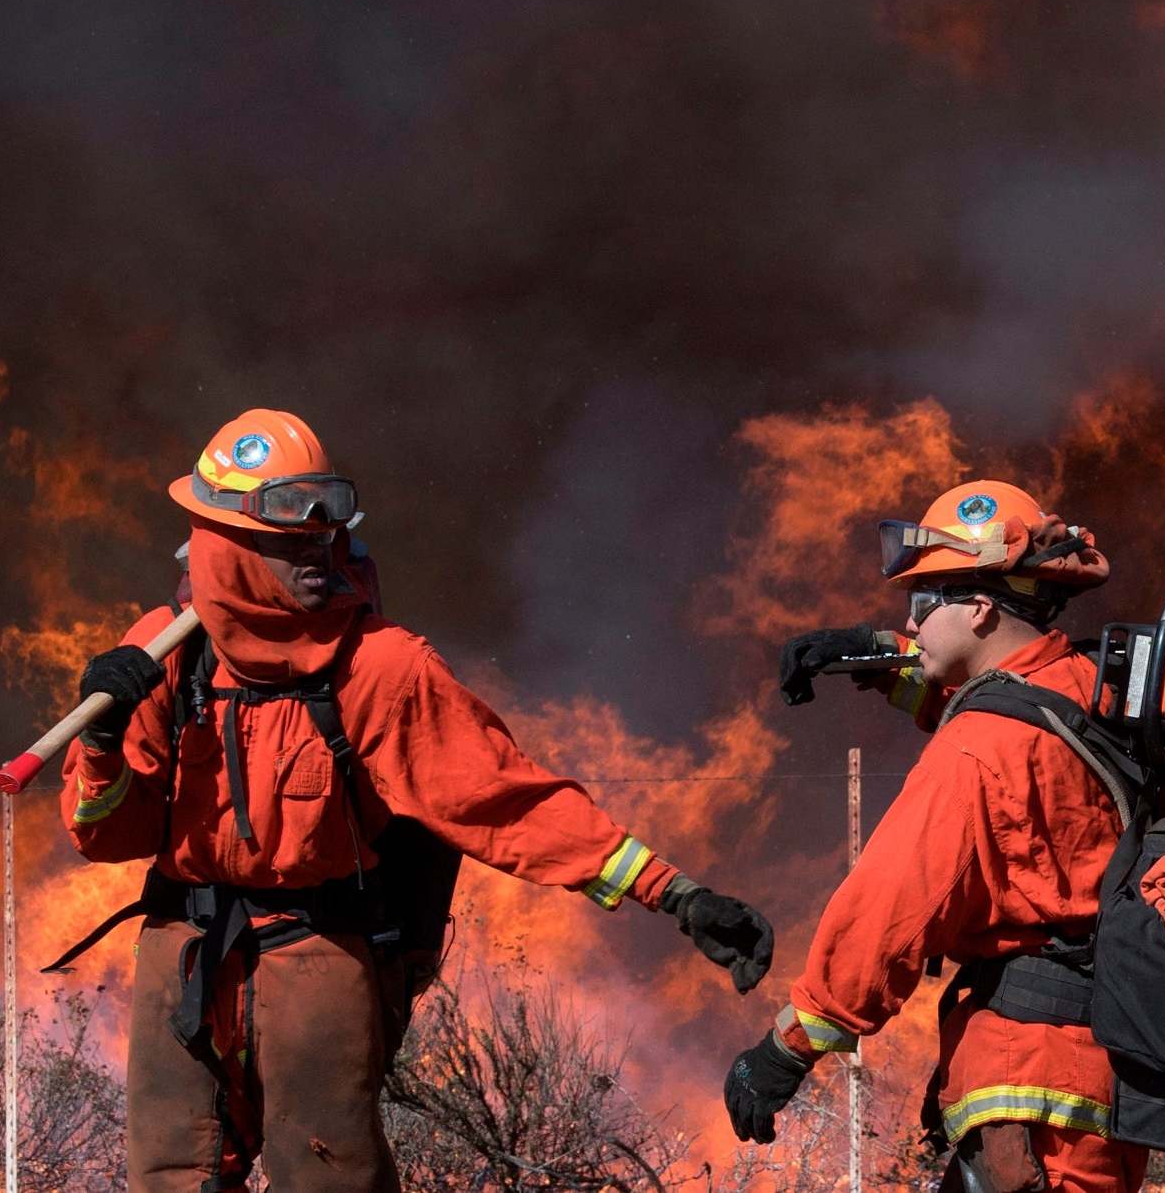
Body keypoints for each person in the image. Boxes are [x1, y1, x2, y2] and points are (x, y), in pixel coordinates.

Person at [61, 409, 774, 1193]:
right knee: (169, 1177)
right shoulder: (162, 654)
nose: (320, 552)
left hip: (317, 957)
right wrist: (101, 741)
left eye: (327, 532)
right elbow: (108, 837)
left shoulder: (379, 666)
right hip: (184, 954)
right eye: (292, 538)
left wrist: (676, 893)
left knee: (333, 1180)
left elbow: (508, 803)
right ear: (226, 546)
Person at [724, 480, 1145, 1193]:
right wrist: (873, 654)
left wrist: (786, 1050)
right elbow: (1010, 699)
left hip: (1029, 1087)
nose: (912, 623)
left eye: (924, 604)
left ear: (980, 607)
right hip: (1098, 1077)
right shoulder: (1089, 686)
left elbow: (888, 912)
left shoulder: (975, 753)